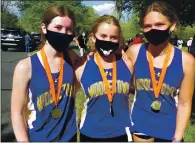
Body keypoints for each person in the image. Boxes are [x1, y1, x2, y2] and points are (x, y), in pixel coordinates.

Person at [125, 1, 195, 142]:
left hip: (170, 129)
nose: (153, 30)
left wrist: (178, 137)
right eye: (147, 26)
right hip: (140, 125)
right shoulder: (134, 52)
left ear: (173, 25)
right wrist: (93, 55)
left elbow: (184, 103)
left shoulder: (186, 61)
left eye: (159, 25)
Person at [11, 6, 79, 142]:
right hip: (39, 138)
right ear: (44, 28)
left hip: (69, 137)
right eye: (58, 28)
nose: (63, 33)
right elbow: (17, 113)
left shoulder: (72, 58)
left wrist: (122, 54)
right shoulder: (25, 66)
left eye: (68, 29)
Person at [75, 15, 134, 142]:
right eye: (103, 36)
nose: (108, 41)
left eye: (113, 37)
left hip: (122, 132)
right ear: (93, 37)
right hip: (90, 134)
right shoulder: (82, 65)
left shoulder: (127, 64)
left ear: (119, 40)